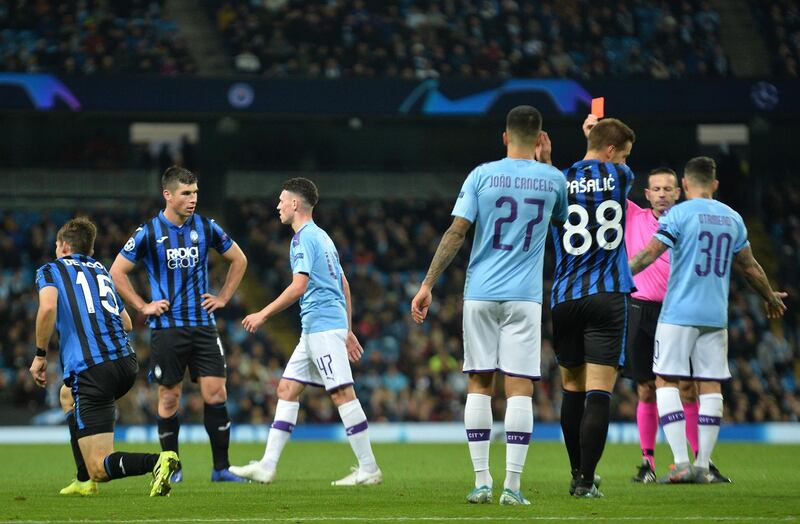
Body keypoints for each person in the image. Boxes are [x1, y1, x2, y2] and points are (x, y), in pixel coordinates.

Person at [411, 105, 568, 506]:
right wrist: (548, 164)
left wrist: (428, 284)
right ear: (539, 139)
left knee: (479, 383)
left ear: (504, 136)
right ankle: (512, 488)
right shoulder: (553, 179)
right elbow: (562, 223)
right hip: (525, 297)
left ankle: (482, 482)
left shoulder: (481, 175)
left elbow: (456, 232)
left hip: (480, 293)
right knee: (520, 389)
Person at [581, 116, 730, 484]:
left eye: (668, 188)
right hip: (640, 310)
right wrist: (594, 138)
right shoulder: (632, 215)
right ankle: (648, 462)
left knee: (688, 387)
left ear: (679, 191)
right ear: (645, 194)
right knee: (648, 387)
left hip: (678, 312)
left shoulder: (690, 219)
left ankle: (699, 462)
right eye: (656, 189)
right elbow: (608, 177)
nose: (662, 194)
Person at [629, 156, 787, 483]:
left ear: (684, 185)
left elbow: (648, 254)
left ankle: (680, 462)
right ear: (715, 185)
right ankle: (703, 464)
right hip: (715, 316)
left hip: (678, 313)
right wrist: (769, 295)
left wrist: (615, 276)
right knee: (710, 385)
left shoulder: (679, 214)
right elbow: (750, 266)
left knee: (665, 380)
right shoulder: (733, 218)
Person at [229, 177, 382, 487]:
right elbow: (344, 284)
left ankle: (369, 468)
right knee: (287, 389)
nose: (278, 206)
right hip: (318, 328)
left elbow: (299, 286)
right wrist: (349, 330)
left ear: (295, 204)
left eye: (282, 200)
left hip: (322, 328)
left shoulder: (302, 240)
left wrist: (263, 314)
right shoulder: (323, 237)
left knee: (341, 393)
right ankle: (268, 465)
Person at [110, 166, 248, 483]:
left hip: (203, 325)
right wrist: (143, 305)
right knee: (169, 397)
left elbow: (239, 259)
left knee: (216, 393)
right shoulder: (148, 232)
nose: (193, 199)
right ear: (168, 195)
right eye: (186, 193)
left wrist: (224, 296)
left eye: (196, 192)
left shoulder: (206, 226)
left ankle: (221, 468)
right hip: (167, 328)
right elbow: (117, 271)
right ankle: (173, 466)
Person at [29, 217, 179, 497]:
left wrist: (40, 355)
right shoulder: (100, 271)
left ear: (62, 246)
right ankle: (84, 479)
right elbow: (126, 323)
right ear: (91, 250)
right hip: (125, 362)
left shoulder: (50, 270)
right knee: (66, 395)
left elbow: (47, 309)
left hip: (93, 368)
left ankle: (156, 461)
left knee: (100, 464)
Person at [550, 117, 637, 498]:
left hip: (565, 296)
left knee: (571, 387)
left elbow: (583, 169)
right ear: (614, 151)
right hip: (608, 295)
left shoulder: (558, 179)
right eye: (624, 153)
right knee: (599, 392)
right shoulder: (622, 177)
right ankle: (585, 481)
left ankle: (575, 470)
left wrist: (589, 144)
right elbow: (607, 166)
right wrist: (596, 140)